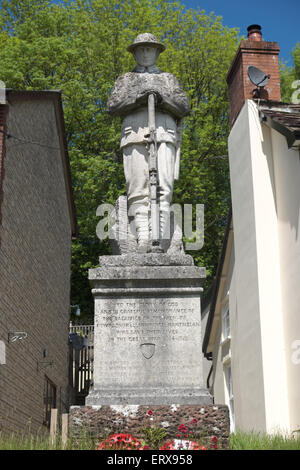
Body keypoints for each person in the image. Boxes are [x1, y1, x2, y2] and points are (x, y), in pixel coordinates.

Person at [107, 33, 190, 252]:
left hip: (164, 133)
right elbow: (113, 106)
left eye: (149, 49)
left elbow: (183, 107)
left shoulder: (168, 79)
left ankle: (160, 237)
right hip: (134, 134)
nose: (145, 53)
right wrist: (137, 99)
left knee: (164, 187)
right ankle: (143, 236)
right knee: (137, 188)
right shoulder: (126, 79)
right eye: (141, 49)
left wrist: (164, 100)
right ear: (134, 52)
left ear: (157, 52)